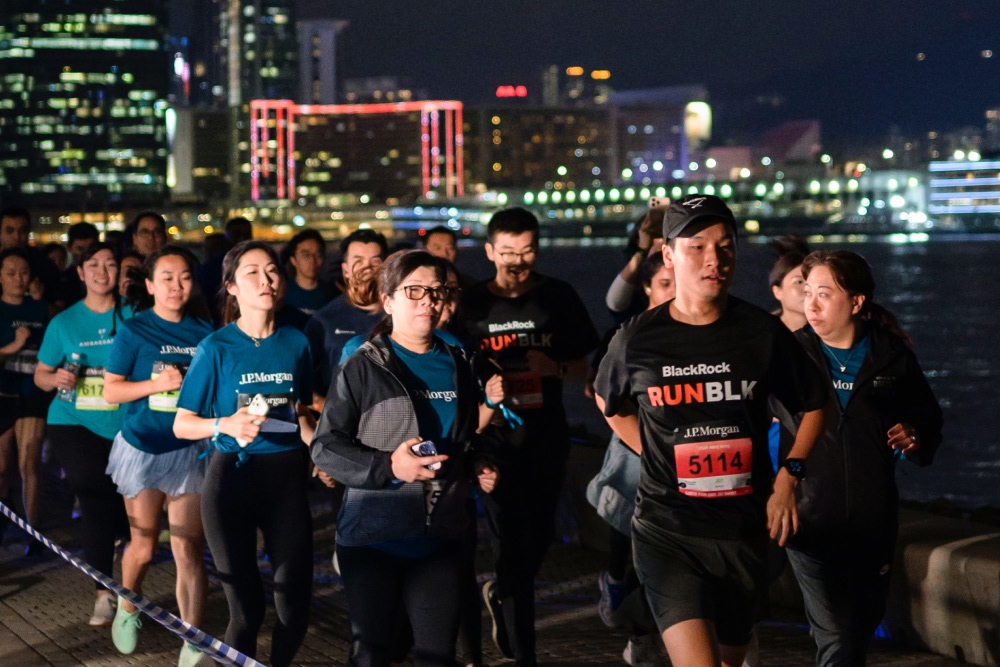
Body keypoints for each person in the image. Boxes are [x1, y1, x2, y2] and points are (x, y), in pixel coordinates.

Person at [594, 194, 828, 667]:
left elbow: (815, 405)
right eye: (697, 246)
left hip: (743, 531)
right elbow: (608, 402)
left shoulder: (760, 333)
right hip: (667, 530)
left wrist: (789, 477)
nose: (713, 260)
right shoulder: (638, 337)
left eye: (725, 246)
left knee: (729, 660)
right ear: (669, 255)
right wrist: (653, 452)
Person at [311, 250, 500, 667]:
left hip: (441, 535)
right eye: (414, 291)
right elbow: (325, 446)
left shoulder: (458, 362)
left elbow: (466, 438)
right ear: (388, 299)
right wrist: (388, 468)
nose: (427, 301)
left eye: (436, 291)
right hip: (373, 533)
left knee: (436, 656)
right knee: (372, 654)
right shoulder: (363, 365)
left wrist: (479, 462)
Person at [775, 250, 942, 667]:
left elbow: (928, 417)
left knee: (857, 633)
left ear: (856, 301)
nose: (810, 305)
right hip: (809, 523)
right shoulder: (789, 356)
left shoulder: (891, 356)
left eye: (824, 294)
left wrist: (915, 435)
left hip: (872, 524)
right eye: (807, 292)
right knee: (838, 640)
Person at [459, 207, 600, 667]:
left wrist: (553, 368)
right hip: (496, 445)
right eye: (506, 254)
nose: (517, 263)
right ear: (488, 252)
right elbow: (455, 373)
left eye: (526, 252)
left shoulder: (557, 297)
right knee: (510, 546)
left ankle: (501, 593)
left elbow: (583, 368)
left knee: (538, 541)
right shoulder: (472, 305)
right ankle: (525, 654)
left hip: (546, 438)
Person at [173, 240, 315, 667]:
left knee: (294, 606)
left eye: (271, 270)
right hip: (231, 480)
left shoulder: (297, 342)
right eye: (251, 272)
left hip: (287, 478)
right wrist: (224, 425)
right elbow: (182, 423)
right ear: (231, 287)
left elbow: (300, 416)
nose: (265, 279)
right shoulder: (215, 347)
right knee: (248, 611)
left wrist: (327, 451)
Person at [101, 246, 214, 666]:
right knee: (144, 547)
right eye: (166, 277)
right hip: (144, 448)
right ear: (149, 285)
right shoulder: (135, 330)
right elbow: (112, 390)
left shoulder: (205, 332)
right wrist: (157, 384)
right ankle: (128, 607)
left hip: (190, 450)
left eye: (184, 276)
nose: (176, 285)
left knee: (188, 548)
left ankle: (193, 638)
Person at [33, 242, 130, 626]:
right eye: (93, 264)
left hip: (124, 423)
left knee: (124, 504)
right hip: (73, 421)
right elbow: (41, 375)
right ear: (80, 272)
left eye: (110, 263)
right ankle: (103, 593)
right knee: (92, 491)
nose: (102, 271)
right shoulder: (64, 323)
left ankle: (123, 563)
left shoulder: (134, 316)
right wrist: (54, 376)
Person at [587, 251, 674, 666]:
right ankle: (639, 632)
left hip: (694, 470)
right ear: (647, 287)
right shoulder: (628, 335)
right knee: (639, 551)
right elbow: (599, 392)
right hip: (640, 464)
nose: (674, 292)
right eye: (664, 284)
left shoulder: (710, 334)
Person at [0, 248, 51, 554]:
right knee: (2, 467)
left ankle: (35, 534)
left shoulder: (40, 308)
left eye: (23, 273)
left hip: (33, 394)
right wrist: (14, 345)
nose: (18, 279)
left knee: (29, 463)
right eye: (10, 273)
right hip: (2, 393)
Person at [306, 228, 387, 402]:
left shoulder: (399, 315)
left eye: (375, 261)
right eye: (358, 261)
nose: (367, 268)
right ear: (345, 270)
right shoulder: (324, 320)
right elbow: (303, 377)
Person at [0, 206, 59, 302]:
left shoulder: (43, 264)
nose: (16, 236)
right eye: (10, 231)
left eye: (22, 231)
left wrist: (39, 300)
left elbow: (60, 308)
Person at [281, 229, 334, 315]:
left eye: (318, 255)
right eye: (306, 255)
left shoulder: (332, 295)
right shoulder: (282, 292)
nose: (312, 260)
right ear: (293, 260)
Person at [52, 222, 100, 310]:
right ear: (69, 247)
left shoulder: (105, 277)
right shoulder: (61, 281)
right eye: (80, 249)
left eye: (89, 249)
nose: (84, 254)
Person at [768, 236, 811, 332]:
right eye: (799, 282)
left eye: (811, 282)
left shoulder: (828, 337)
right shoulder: (764, 334)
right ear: (777, 292)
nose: (807, 289)